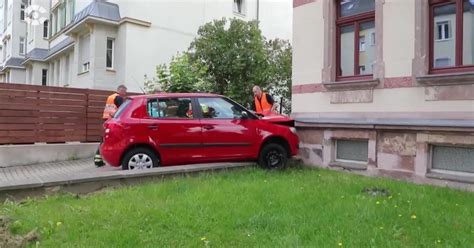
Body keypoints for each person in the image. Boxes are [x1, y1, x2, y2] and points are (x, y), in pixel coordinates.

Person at [94, 85, 127, 167]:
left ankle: (98, 159)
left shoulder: (110, 97)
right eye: (125, 92)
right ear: (121, 91)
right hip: (113, 121)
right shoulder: (119, 98)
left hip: (106, 120)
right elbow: (122, 110)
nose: (125, 94)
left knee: (103, 140)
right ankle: (101, 159)